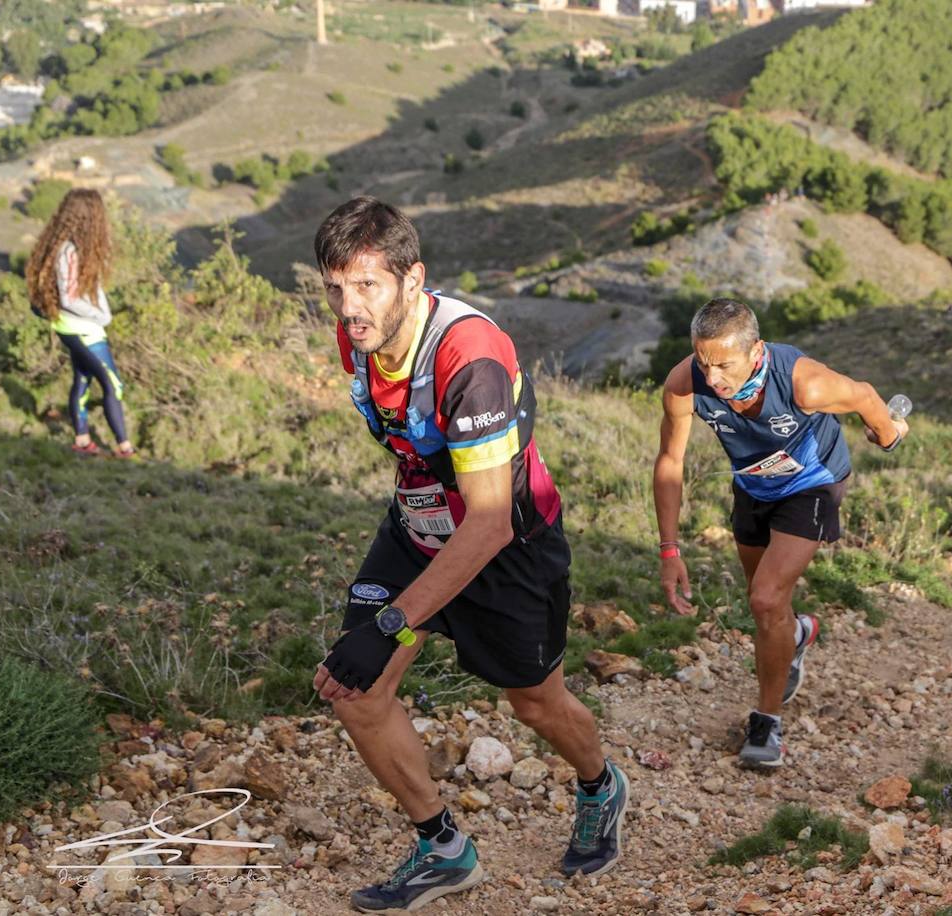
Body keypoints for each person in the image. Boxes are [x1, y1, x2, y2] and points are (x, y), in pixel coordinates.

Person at [309, 198, 626, 910]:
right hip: (417, 533)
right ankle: (443, 848)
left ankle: (600, 784)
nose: (348, 308)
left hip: (508, 547)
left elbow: (487, 525)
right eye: (335, 288)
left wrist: (393, 624)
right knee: (354, 687)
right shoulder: (356, 337)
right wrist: (385, 622)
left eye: (366, 286)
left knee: (536, 703)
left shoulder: (468, 358)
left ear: (412, 280)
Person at [651, 298, 907, 769]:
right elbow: (670, 462)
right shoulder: (684, 384)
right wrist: (670, 547)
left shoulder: (803, 384)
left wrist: (887, 434)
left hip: (813, 481)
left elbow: (865, 395)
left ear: (755, 351)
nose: (713, 378)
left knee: (765, 600)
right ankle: (797, 634)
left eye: (724, 364)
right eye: (704, 362)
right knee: (768, 603)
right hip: (753, 485)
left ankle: (766, 722)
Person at [24, 189, 135, 458]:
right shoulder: (69, 251)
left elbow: (90, 290)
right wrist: (102, 316)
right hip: (81, 328)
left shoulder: (71, 247)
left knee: (82, 379)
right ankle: (125, 449)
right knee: (112, 385)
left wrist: (100, 309)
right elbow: (70, 297)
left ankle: (83, 441)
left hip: (71, 326)